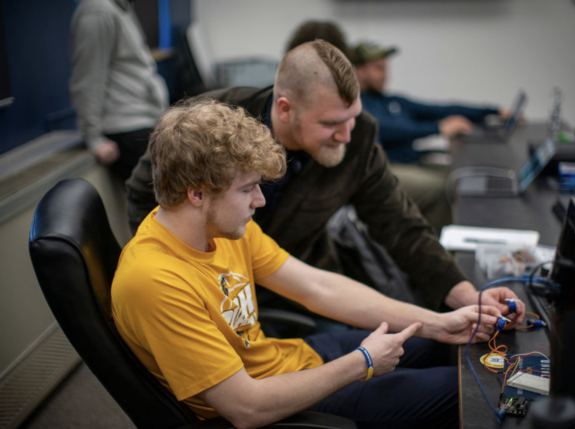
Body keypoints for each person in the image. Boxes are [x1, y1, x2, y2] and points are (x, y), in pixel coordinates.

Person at [112, 97, 505, 428]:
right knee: (476, 390)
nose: (259, 201)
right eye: (248, 189)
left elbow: (319, 287)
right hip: (281, 408)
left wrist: (440, 322)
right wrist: (363, 361)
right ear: (196, 193)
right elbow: (245, 408)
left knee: (449, 346)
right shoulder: (154, 280)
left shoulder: (219, 229)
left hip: (287, 361)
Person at [126, 40, 525, 323]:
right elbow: (144, 193)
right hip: (210, 288)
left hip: (304, 281)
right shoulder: (213, 123)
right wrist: (180, 284)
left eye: (351, 117)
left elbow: (400, 226)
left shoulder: (360, 136)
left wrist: (467, 296)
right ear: (285, 109)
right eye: (332, 123)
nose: (347, 135)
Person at [353, 39, 510, 165]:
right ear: (359, 71)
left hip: (415, 162)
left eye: (386, 68)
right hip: (392, 169)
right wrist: (438, 128)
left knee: (461, 174)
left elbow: (440, 110)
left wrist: (493, 111)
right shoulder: (357, 106)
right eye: (379, 68)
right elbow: (387, 129)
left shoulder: (393, 101)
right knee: (448, 187)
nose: (385, 75)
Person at [69, 0, 169, 181]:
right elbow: (88, 78)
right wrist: (93, 138)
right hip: (126, 129)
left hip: (144, 120)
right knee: (164, 202)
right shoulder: (98, 11)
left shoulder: (121, 7)